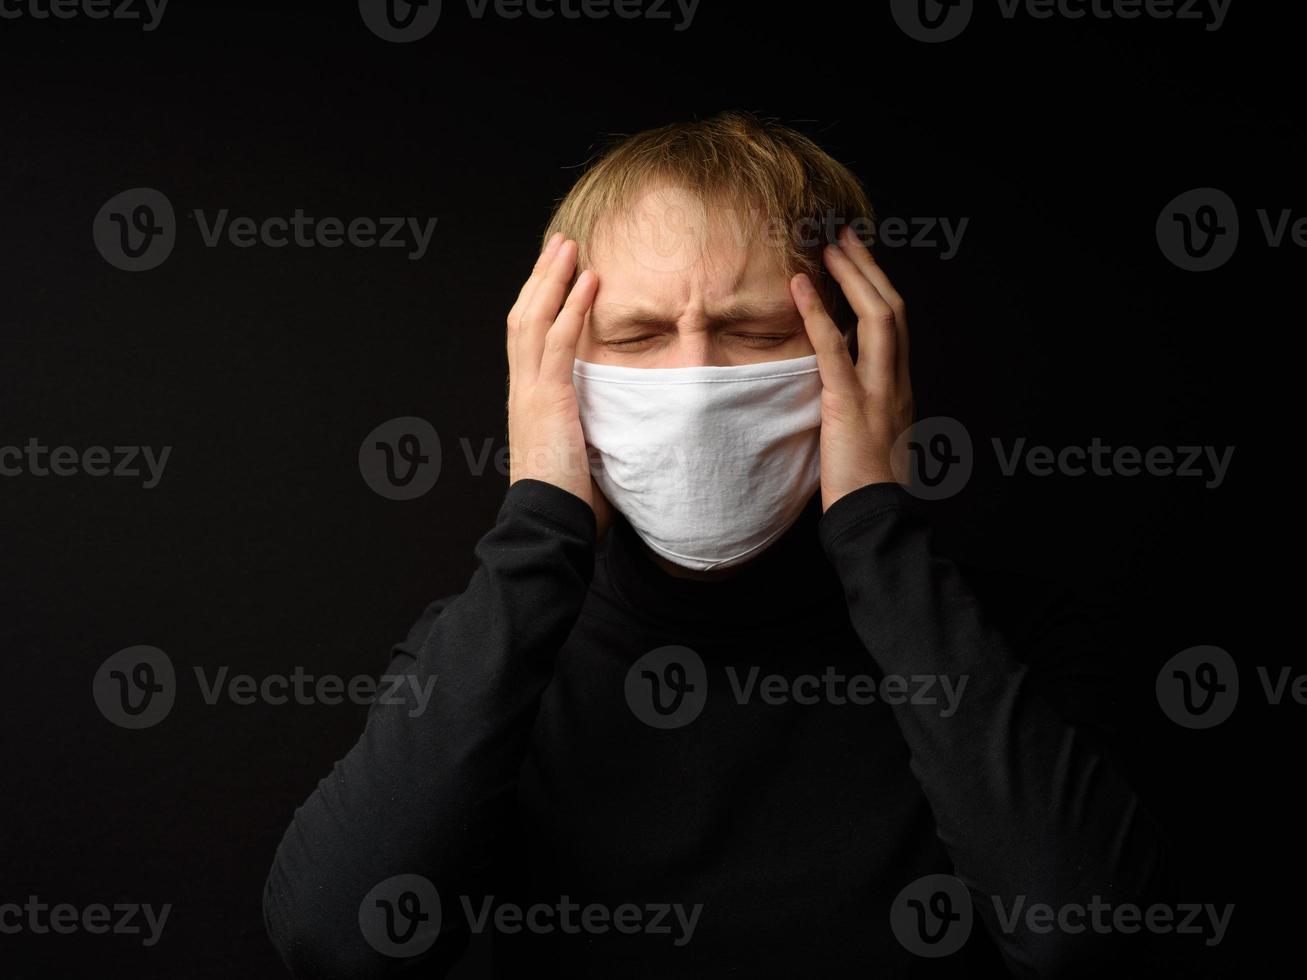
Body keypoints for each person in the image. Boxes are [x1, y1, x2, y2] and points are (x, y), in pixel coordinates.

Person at [263, 111, 1170, 978]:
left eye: (757, 332)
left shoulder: (1002, 639)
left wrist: (878, 531)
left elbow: (1080, 944)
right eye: (638, 335)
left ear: (858, 355)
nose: (695, 384)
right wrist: (539, 517)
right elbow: (342, 947)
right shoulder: (489, 652)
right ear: (559, 369)